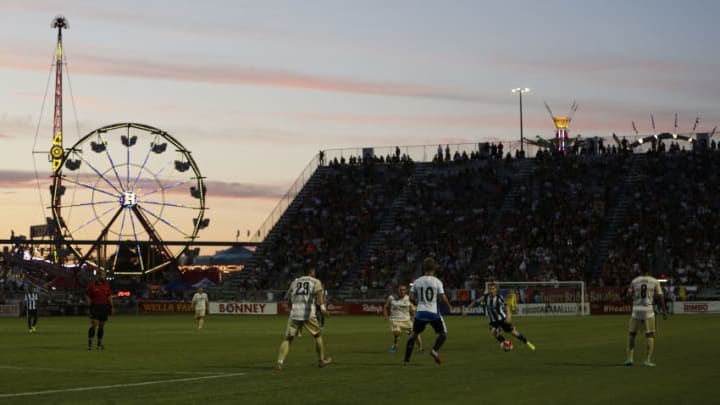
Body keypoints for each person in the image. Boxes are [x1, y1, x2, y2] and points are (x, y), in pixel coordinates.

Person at [276, 266, 332, 370]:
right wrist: (323, 308)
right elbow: (319, 294)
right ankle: (321, 361)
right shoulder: (315, 281)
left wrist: (292, 309)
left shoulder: (295, 282)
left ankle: (280, 363)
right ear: (311, 272)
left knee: (288, 338)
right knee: (317, 335)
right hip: (308, 313)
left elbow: (288, 298)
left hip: (295, 313)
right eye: (314, 271)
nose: (315, 273)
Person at [403, 257, 453, 366]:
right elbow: (443, 297)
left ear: (423, 268)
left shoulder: (417, 281)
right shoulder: (437, 282)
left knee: (414, 335)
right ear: (434, 268)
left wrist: (419, 302)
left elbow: (411, 297)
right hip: (433, 312)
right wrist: (449, 306)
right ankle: (434, 350)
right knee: (443, 334)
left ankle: (406, 361)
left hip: (420, 312)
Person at [463, 282, 535, 351]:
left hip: (502, 319)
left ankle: (528, 343)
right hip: (492, 321)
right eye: (490, 289)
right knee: (494, 332)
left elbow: (507, 307)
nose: (491, 290)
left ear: (495, 289)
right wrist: (467, 309)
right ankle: (505, 343)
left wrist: (508, 317)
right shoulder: (485, 297)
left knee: (514, 333)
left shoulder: (499, 298)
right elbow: (475, 301)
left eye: (493, 289)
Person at [624, 268, 668, 367]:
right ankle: (647, 360)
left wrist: (627, 300)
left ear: (640, 271)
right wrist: (664, 311)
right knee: (650, 335)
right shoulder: (654, 281)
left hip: (636, 310)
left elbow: (628, 295)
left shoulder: (634, 281)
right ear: (649, 271)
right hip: (648, 311)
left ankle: (629, 359)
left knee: (631, 334)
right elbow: (660, 296)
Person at [383, 284, 423, 353]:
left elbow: (412, 309)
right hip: (395, 320)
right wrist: (386, 317)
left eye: (403, 290)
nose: (402, 291)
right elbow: (385, 307)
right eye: (400, 290)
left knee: (416, 334)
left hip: (406, 320)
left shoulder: (408, 298)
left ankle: (421, 348)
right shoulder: (391, 297)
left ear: (406, 291)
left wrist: (414, 317)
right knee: (397, 332)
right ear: (397, 290)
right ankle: (394, 346)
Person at [85, 269, 114, 350]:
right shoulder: (92, 285)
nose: (103, 276)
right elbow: (87, 295)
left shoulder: (106, 285)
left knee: (101, 326)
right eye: (102, 275)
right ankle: (90, 343)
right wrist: (88, 303)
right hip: (95, 306)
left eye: (104, 275)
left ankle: (99, 344)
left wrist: (112, 306)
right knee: (94, 324)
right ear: (98, 276)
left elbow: (109, 296)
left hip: (104, 307)